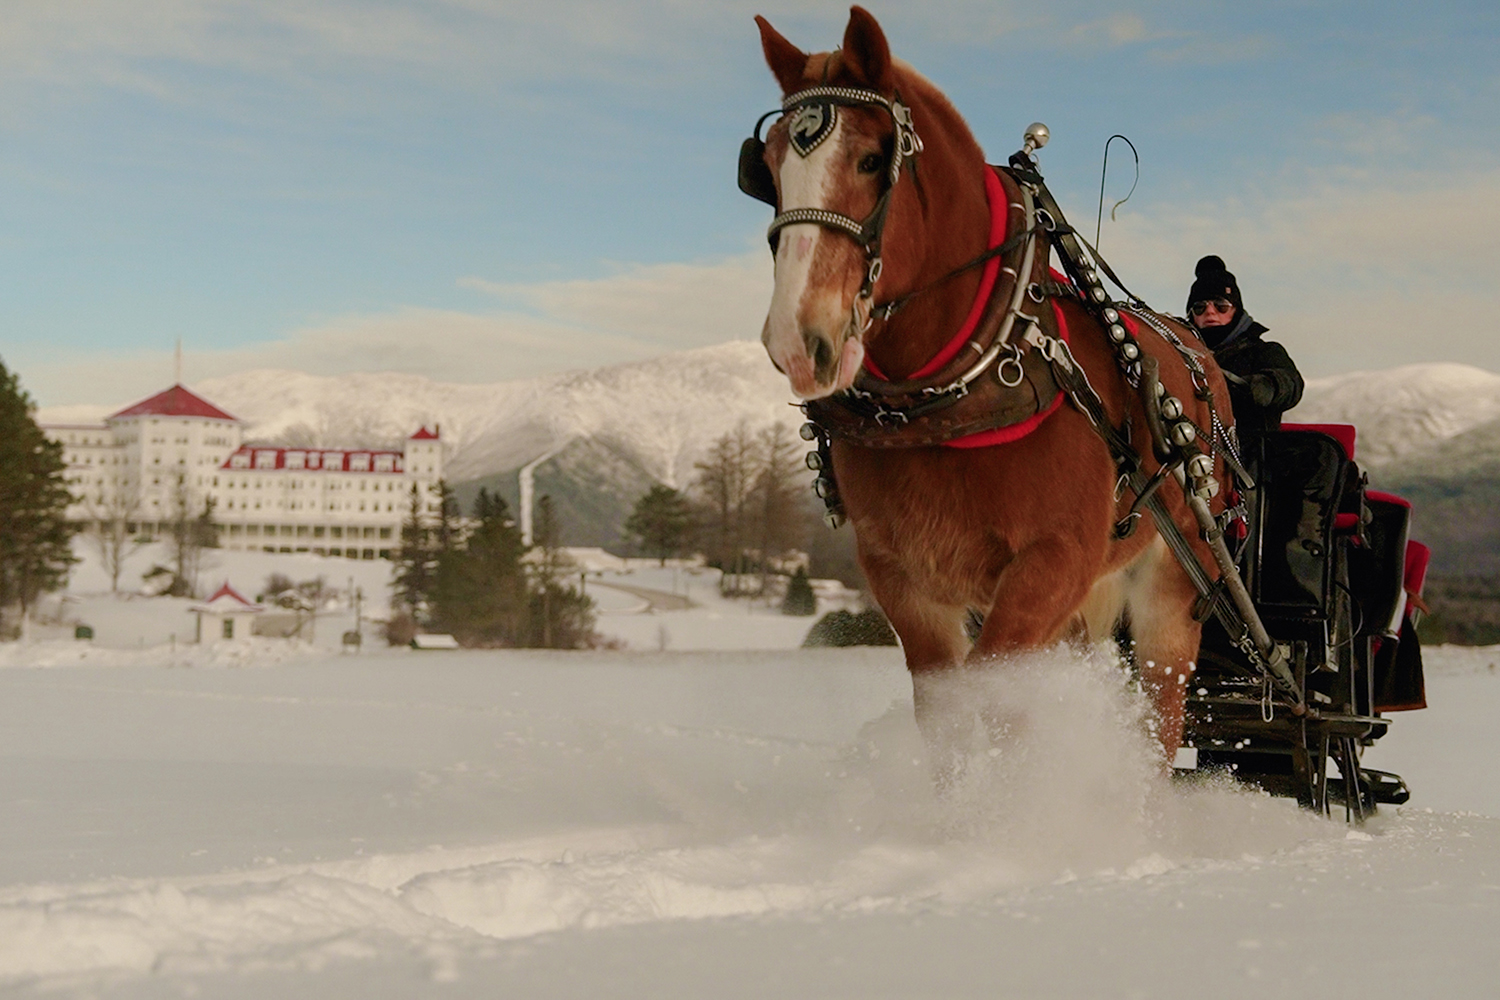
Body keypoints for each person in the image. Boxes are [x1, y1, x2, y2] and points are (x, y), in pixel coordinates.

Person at [1186, 255, 1303, 433]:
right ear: (1191, 314)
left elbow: (1292, 384)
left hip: (1253, 452)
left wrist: (1269, 385)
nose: (1210, 312)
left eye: (1221, 305)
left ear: (1236, 310)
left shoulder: (1263, 351)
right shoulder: (1181, 353)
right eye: (1200, 307)